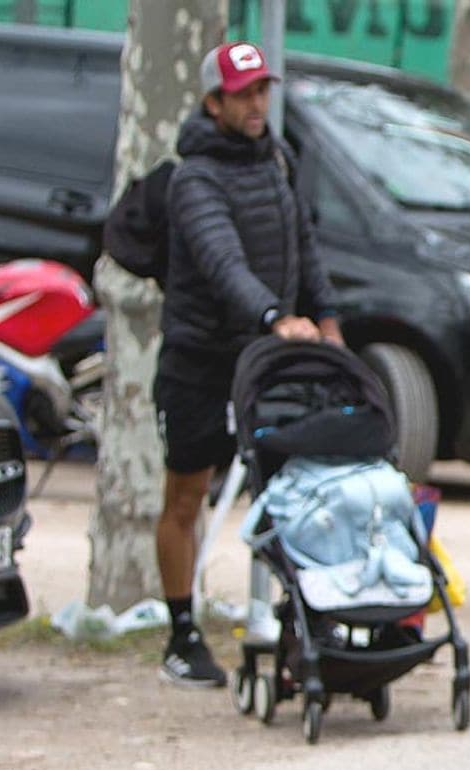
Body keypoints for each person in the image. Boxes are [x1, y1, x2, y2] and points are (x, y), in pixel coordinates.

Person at [156, 41, 344, 688]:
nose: (258, 103)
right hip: (200, 359)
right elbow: (221, 260)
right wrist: (271, 316)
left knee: (293, 490)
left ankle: (302, 626)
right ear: (214, 103)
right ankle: (182, 636)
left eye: (263, 89)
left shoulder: (275, 161)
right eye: (243, 93)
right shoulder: (194, 178)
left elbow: (304, 248)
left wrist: (325, 320)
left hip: (268, 359)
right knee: (186, 496)